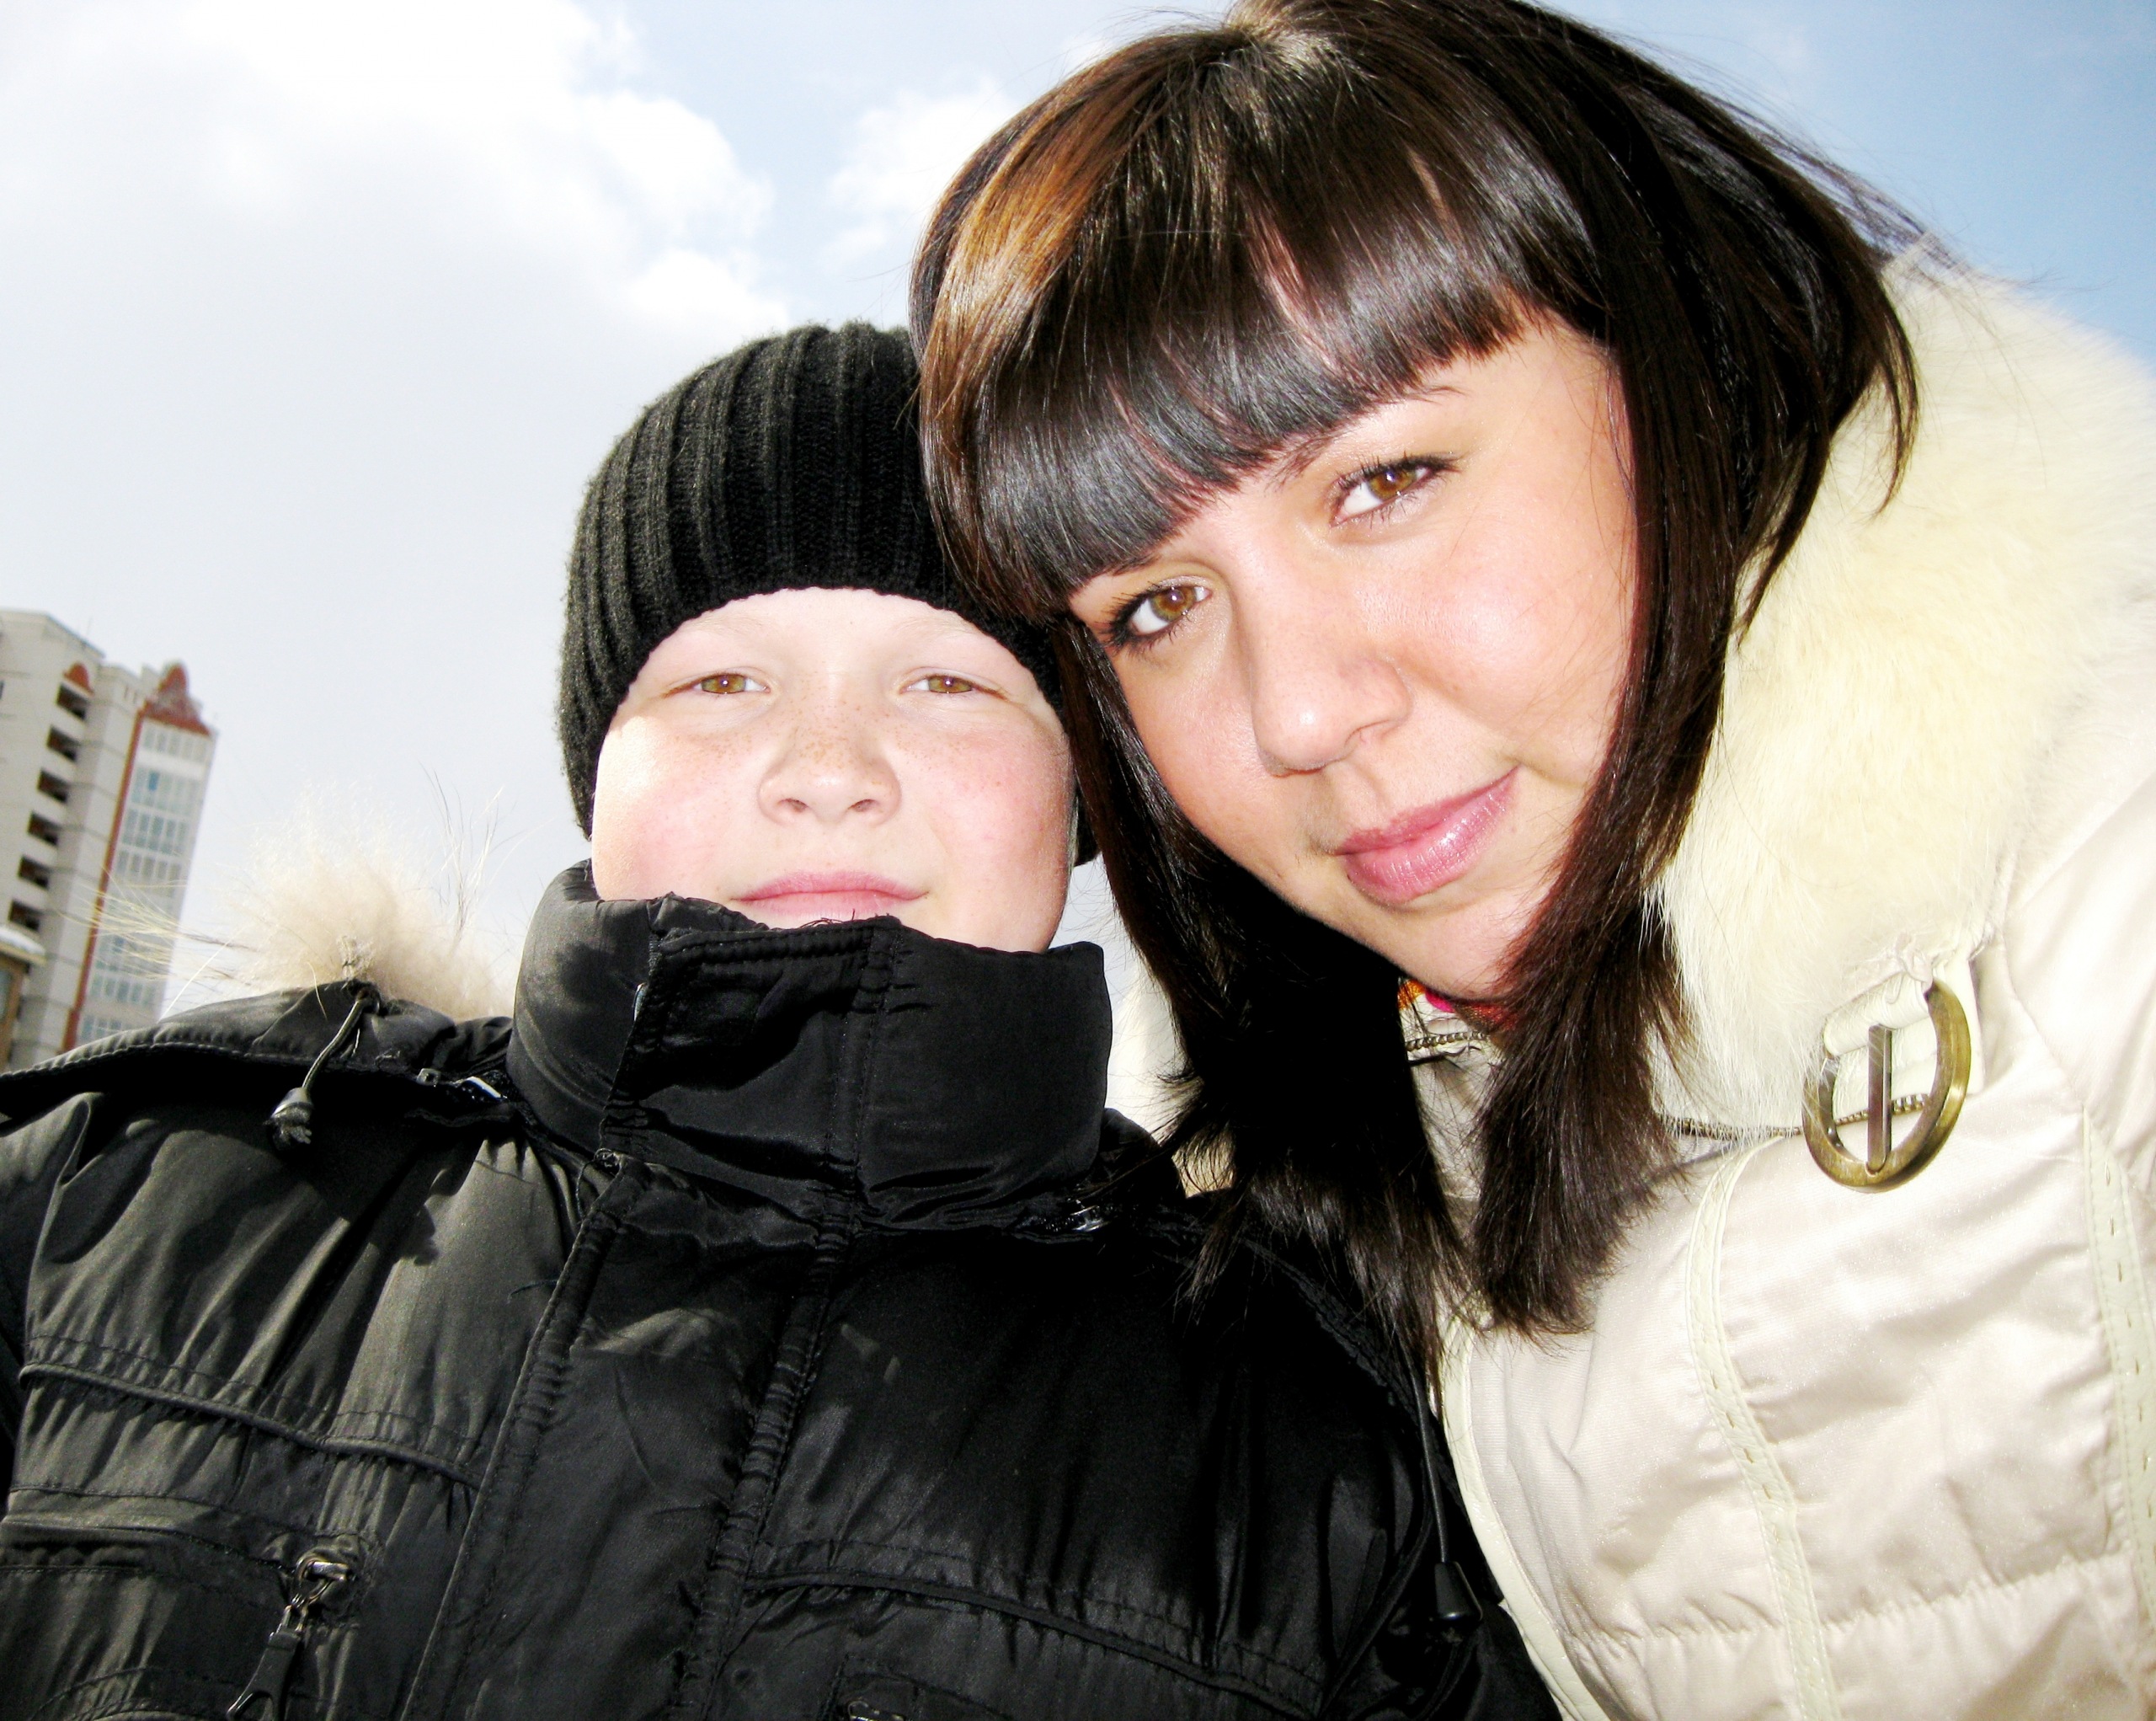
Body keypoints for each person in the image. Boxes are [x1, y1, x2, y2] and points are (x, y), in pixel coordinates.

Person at [0, 323, 1555, 1721]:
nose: (829, 768)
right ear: (597, 768)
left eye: (947, 684)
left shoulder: (1303, 1449)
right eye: (724, 684)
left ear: (1081, 793)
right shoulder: (117, 1190)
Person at [905, 3, 2156, 1717]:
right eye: (1157, 606)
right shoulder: (1271, 1199)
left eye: (1383, 481)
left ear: (1675, 360)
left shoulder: (2106, 850)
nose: (1299, 714)